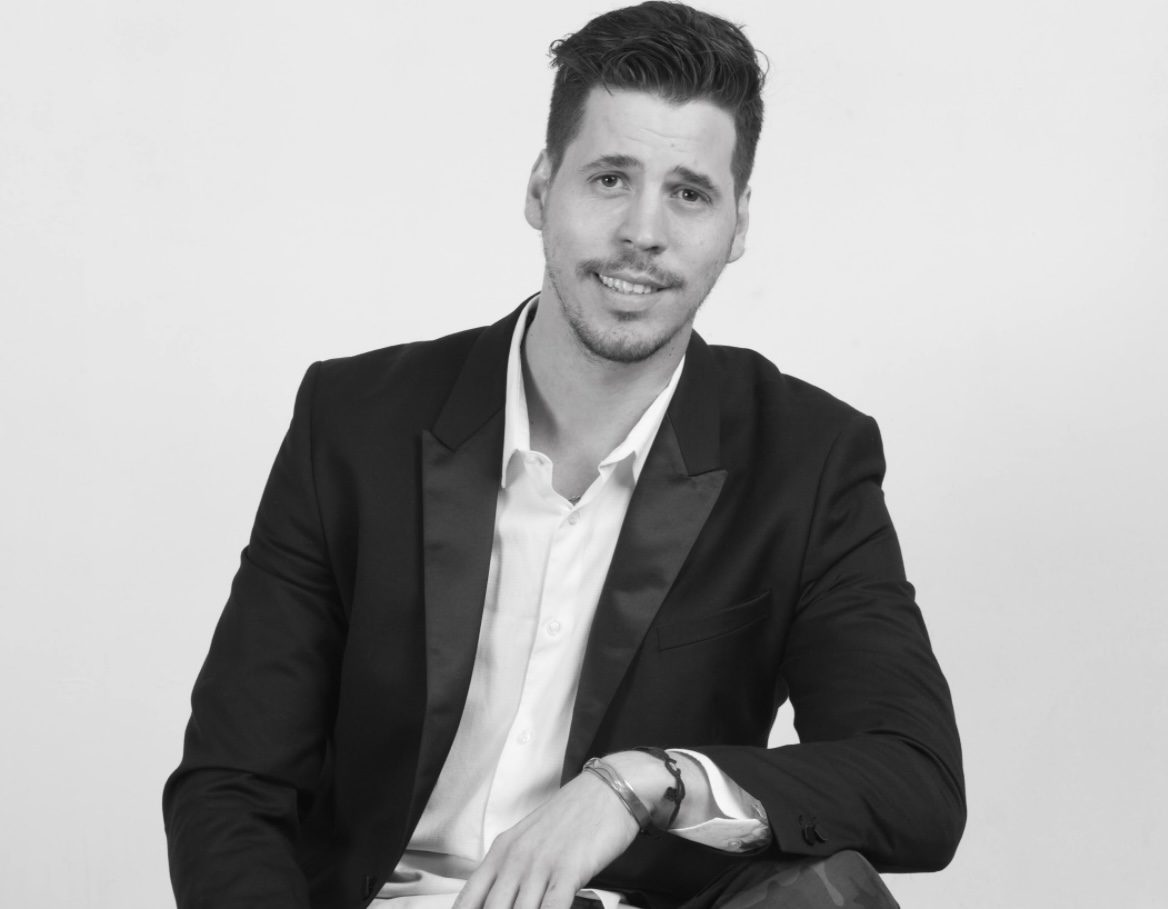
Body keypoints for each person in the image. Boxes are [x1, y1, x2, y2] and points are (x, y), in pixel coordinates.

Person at [162, 4, 965, 908]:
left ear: (738, 224)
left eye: (690, 193)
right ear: (542, 188)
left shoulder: (807, 461)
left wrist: (647, 783)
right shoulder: (354, 422)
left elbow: (917, 781)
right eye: (611, 178)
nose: (644, 232)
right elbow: (231, 784)